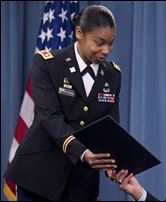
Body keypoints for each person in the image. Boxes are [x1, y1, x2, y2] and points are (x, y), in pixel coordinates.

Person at [4, 5, 122, 201]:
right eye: (100, 43)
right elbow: (50, 117)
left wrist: (112, 163)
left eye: (111, 44)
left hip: (81, 184)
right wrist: (84, 153)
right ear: (79, 33)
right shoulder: (47, 63)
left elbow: (110, 126)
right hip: (40, 177)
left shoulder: (113, 75)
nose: (106, 50)